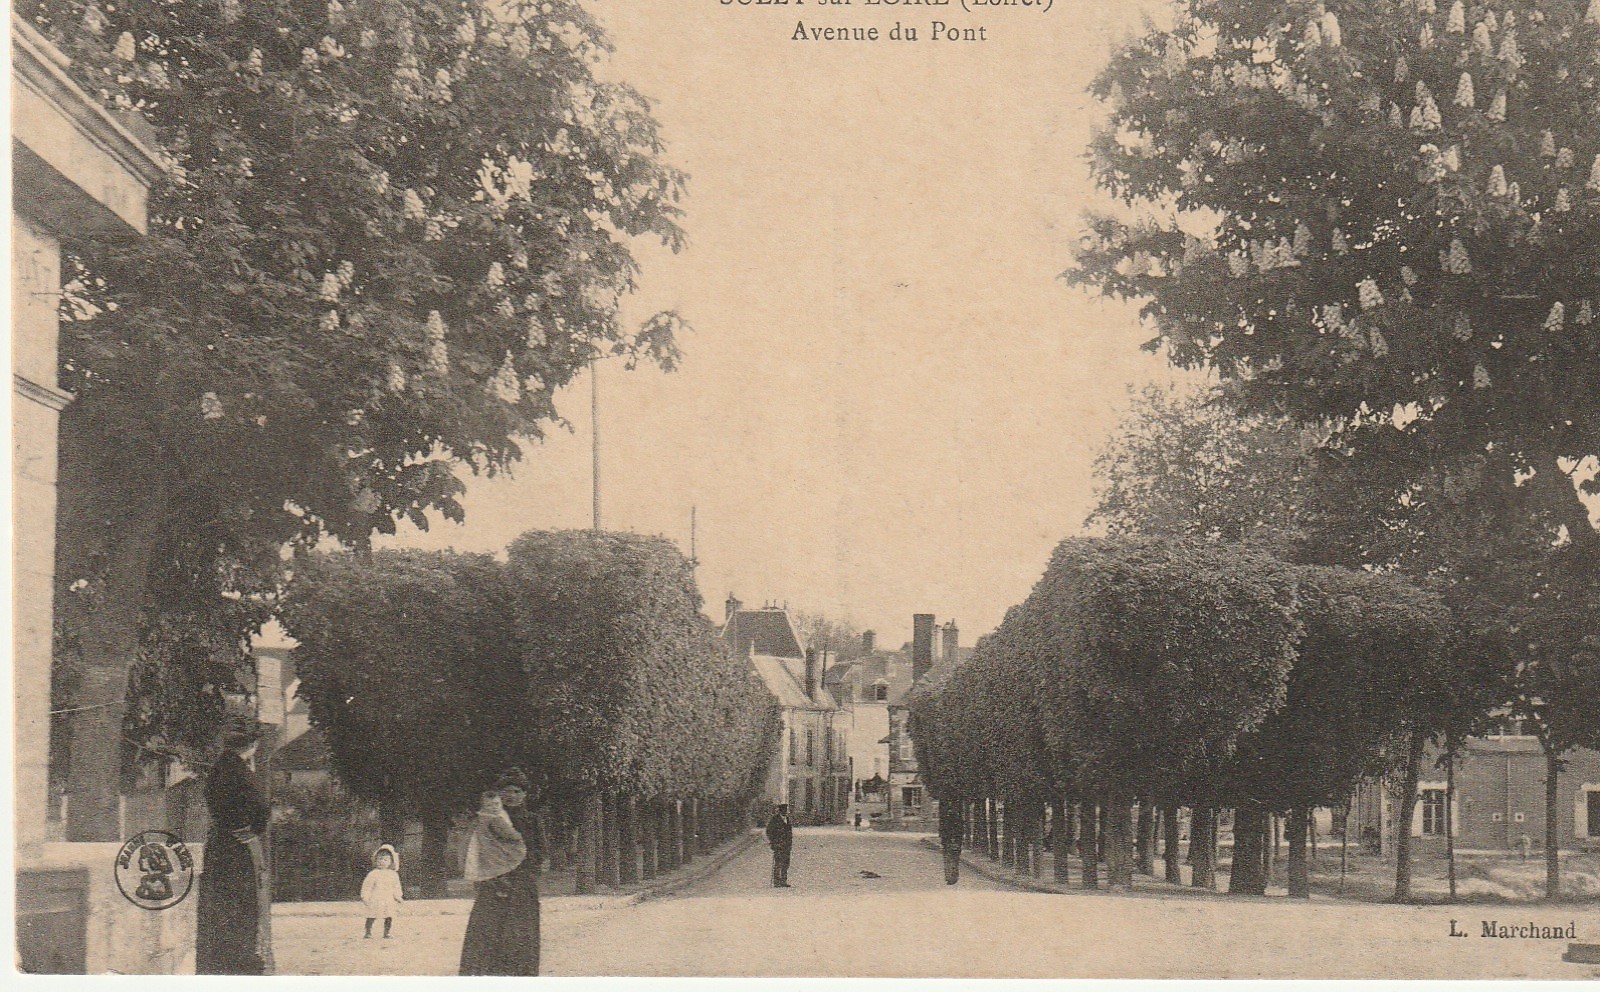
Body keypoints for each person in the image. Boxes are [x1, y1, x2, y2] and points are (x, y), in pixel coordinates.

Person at [196, 727, 270, 975]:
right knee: (243, 901)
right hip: (240, 845)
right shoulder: (243, 772)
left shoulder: (216, 770)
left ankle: (218, 960)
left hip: (219, 842)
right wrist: (255, 828)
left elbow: (211, 800)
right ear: (251, 746)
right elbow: (261, 805)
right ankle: (242, 961)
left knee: (219, 901)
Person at [459, 768, 547, 976]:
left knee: (519, 934)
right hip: (491, 882)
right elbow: (476, 849)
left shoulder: (532, 820)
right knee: (487, 935)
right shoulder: (487, 819)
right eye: (507, 791)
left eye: (517, 791)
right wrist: (493, 875)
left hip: (522, 885)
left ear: (525, 795)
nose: (512, 796)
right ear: (499, 794)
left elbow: (540, 852)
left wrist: (520, 872)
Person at [361, 844, 404, 939]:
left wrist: (398, 896)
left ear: (391, 862)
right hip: (375, 898)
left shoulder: (393, 875)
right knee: (371, 915)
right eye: (380, 859)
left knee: (389, 915)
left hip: (388, 899)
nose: (382, 862)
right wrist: (365, 896)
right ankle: (368, 932)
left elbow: (396, 887)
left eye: (385, 860)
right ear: (375, 861)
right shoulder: (373, 874)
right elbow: (367, 886)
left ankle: (387, 932)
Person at [766, 803, 793, 887]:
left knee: (786, 863)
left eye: (786, 810)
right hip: (778, 845)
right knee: (778, 863)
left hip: (787, 845)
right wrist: (773, 842)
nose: (786, 812)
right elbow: (768, 831)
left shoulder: (787, 819)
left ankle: (783, 881)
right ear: (780, 811)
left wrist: (790, 842)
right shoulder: (774, 819)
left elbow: (789, 832)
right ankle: (777, 881)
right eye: (784, 810)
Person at [938, 802, 964, 885]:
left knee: (948, 860)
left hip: (948, 843)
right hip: (956, 843)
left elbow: (942, 832)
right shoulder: (959, 821)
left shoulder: (944, 821)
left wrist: (943, 841)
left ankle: (949, 877)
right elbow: (961, 832)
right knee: (955, 860)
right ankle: (954, 877)